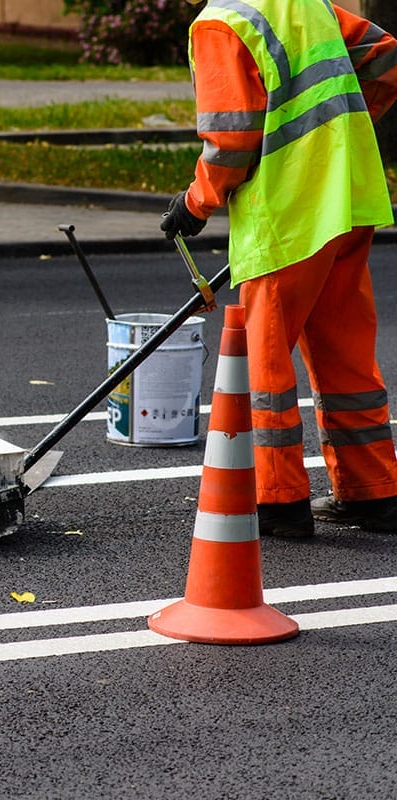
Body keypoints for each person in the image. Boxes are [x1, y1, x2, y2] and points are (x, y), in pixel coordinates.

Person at [161, 0, 397, 537]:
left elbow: (233, 139)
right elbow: (386, 59)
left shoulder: (222, 21)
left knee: (262, 363)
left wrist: (195, 203)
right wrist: (338, 136)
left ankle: (278, 501)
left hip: (289, 215)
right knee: (346, 357)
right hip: (350, 199)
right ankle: (373, 494)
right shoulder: (306, 4)